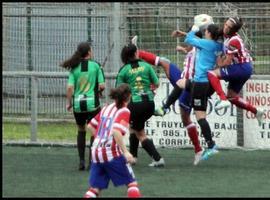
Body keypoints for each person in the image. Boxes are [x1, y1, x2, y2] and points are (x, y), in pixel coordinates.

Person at [131, 34, 204, 166]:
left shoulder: (201, 50)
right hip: (182, 78)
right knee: (165, 62)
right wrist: (183, 49)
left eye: (189, 41)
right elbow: (191, 50)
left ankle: (198, 149)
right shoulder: (194, 49)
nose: (186, 42)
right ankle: (137, 52)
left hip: (189, 86)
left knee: (185, 118)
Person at [156, 23, 224, 161]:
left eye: (206, 31)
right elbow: (192, 42)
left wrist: (194, 28)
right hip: (206, 84)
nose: (204, 32)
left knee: (200, 118)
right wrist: (184, 33)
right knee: (181, 84)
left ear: (210, 34)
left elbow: (190, 39)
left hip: (200, 83)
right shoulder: (218, 46)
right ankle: (165, 108)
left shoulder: (206, 44)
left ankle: (211, 145)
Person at [83, 83, 141, 198]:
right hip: (111, 153)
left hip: (96, 152)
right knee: (131, 184)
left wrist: (101, 139)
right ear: (129, 96)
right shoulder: (124, 111)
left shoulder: (106, 108)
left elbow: (89, 126)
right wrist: (126, 152)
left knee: (94, 189)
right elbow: (116, 131)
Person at [207, 17, 266, 125]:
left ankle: (222, 99)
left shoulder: (234, 40)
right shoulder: (226, 35)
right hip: (243, 68)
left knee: (211, 73)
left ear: (233, 30)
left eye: (229, 27)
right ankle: (257, 111)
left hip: (242, 68)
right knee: (232, 96)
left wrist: (219, 63)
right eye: (226, 24)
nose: (226, 28)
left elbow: (227, 62)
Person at [115, 43, 165, 167]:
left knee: (140, 133)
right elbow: (157, 83)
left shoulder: (124, 70)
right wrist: (148, 87)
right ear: (136, 53)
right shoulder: (146, 66)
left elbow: (118, 90)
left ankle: (158, 159)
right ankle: (133, 157)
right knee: (133, 128)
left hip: (135, 105)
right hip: (149, 104)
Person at [60, 41, 105, 171]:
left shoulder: (74, 68)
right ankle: (92, 161)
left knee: (81, 130)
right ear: (89, 52)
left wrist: (69, 103)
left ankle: (81, 161)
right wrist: (98, 91)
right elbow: (102, 86)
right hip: (93, 105)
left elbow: (69, 88)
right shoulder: (96, 66)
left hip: (78, 105)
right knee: (94, 131)